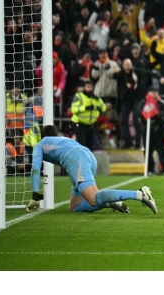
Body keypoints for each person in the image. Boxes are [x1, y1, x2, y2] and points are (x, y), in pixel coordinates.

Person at [25, 124, 157, 214]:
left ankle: (140, 194)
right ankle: (111, 203)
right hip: (88, 155)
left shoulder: (40, 144)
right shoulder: (62, 139)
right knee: (74, 207)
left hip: (75, 160)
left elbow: (35, 169)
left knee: (94, 198)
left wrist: (35, 195)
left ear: (42, 136)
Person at [70, 79, 106, 152]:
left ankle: (88, 161)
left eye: (91, 87)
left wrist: (99, 107)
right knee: (82, 143)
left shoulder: (96, 98)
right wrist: (85, 108)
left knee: (90, 145)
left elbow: (103, 108)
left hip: (90, 124)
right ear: (84, 87)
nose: (89, 89)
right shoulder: (79, 96)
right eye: (87, 87)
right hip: (79, 123)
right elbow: (73, 109)